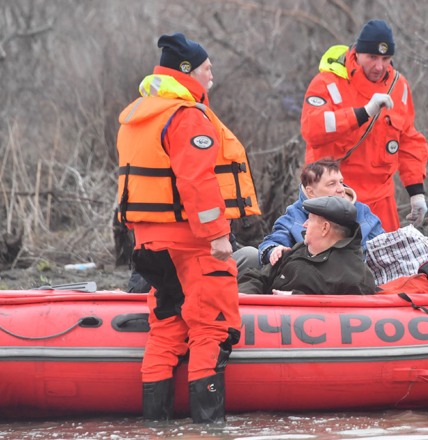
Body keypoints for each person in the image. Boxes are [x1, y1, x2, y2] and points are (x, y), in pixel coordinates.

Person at [116, 33, 260, 422]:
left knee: (166, 329)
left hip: (149, 244)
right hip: (191, 242)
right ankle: (209, 429)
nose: (212, 74)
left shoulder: (139, 115)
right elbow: (197, 182)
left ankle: (156, 426)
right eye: (207, 67)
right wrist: (218, 236)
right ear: (187, 71)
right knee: (212, 329)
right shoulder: (186, 115)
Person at [300, 20, 428, 232]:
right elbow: (312, 129)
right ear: (357, 53)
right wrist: (363, 113)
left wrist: (416, 192)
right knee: (335, 253)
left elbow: (409, 141)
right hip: (335, 198)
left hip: (382, 201)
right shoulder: (327, 82)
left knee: (389, 253)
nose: (379, 66)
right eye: (372, 57)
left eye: (385, 59)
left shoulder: (399, 86)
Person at [257, 158, 385, 267]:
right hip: (310, 281)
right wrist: (274, 251)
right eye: (331, 184)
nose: (341, 189)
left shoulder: (362, 212)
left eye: (341, 182)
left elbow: (384, 248)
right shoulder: (294, 215)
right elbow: (271, 244)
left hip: (356, 281)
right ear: (311, 192)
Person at [239, 196, 376, 295]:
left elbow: (349, 315)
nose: (304, 225)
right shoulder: (298, 249)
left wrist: (299, 300)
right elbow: (257, 277)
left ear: (324, 228)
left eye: (309, 220)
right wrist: (247, 297)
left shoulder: (354, 274)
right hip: (263, 319)